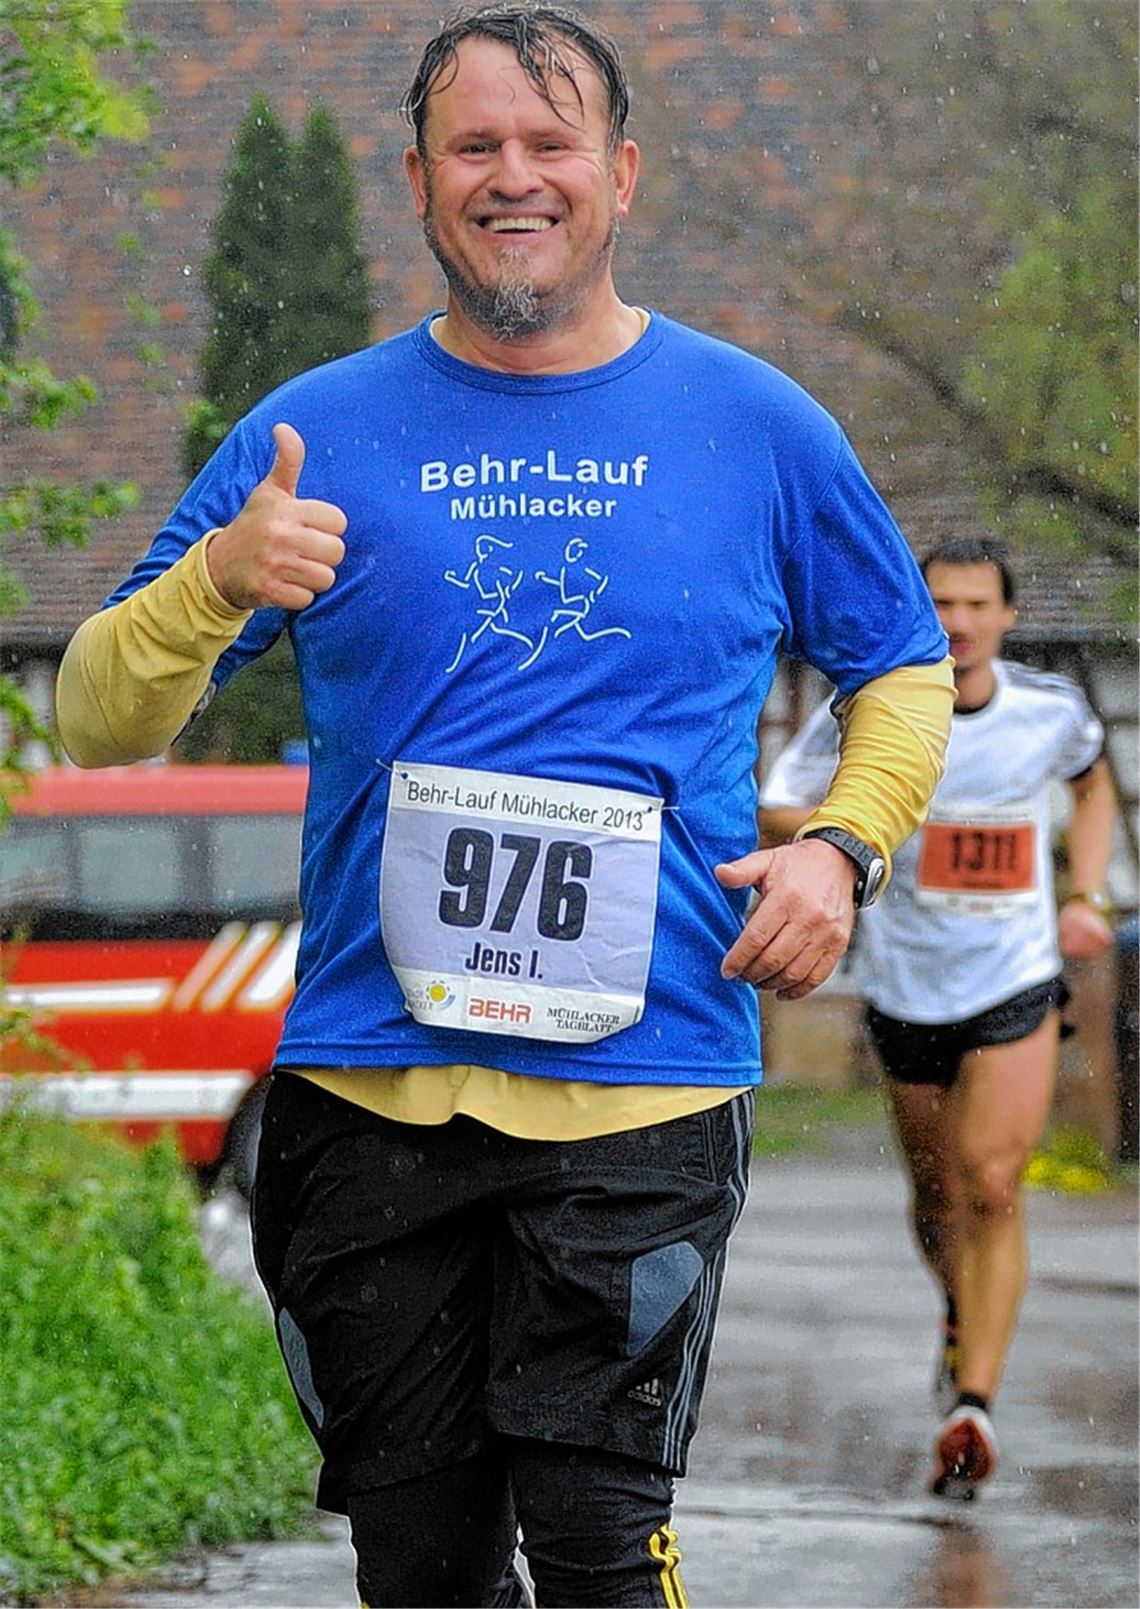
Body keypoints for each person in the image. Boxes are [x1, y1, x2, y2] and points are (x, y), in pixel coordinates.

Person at [55, 6, 955, 1603]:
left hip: (644, 1085)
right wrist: (212, 579)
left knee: (604, 1550)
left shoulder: (753, 425)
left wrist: (839, 847)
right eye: (476, 146)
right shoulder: (310, 431)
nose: (513, 177)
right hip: (368, 1090)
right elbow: (97, 713)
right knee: (421, 1569)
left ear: (620, 174)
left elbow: (903, 668)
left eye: (551, 146)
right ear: (418, 180)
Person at [760, 535, 1118, 1502]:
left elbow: (1092, 787)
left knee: (993, 1180)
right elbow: (775, 805)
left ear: (1005, 617)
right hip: (905, 987)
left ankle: (975, 1405)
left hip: (1014, 978)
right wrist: (878, 807)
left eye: (975, 605)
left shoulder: (1051, 710)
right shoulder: (872, 711)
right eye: (941, 604)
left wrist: (1086, 891)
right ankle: (962, 1308)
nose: (958, 623)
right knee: (935, 1193)